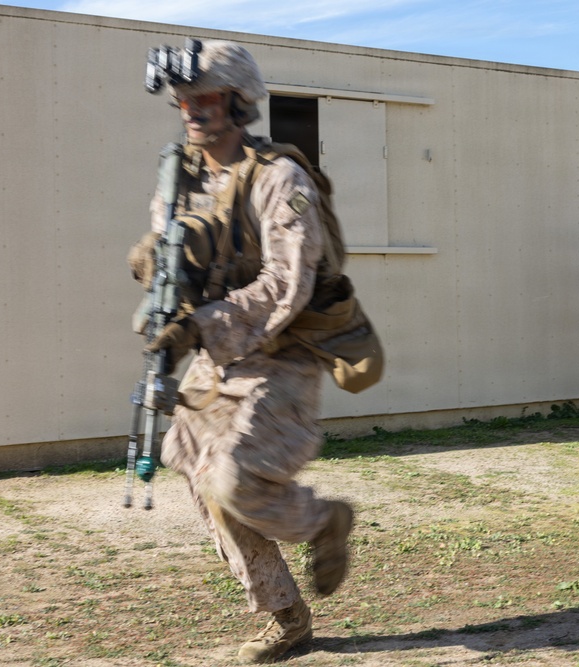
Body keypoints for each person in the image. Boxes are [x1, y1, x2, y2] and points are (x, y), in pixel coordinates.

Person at [130, 40, 353, 664]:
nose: (191, 110)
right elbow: (176, 260)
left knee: (234, 481)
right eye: (183, 100)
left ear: (236, 100)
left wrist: (201, 324)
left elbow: (288, 283)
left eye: (204, 97)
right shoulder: (182, 174)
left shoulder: (281, 177)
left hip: (282, 354)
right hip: (216, 355)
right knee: (197, 475)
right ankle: (285, 616)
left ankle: (323, 521)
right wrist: (156, 277)